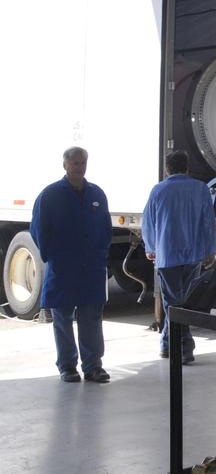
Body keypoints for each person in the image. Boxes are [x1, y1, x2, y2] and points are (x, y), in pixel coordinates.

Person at [30, 146, 113, 383]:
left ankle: (93, 366)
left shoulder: (96, 194)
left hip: (91, 268)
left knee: (91, 318)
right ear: (65, 165)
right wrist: (52, 254)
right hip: (64, 266)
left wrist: (100, 252)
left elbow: (106, 228)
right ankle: (67, 366)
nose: (79, 167)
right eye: (75, 163)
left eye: (83, 163)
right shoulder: (50, 195)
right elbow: (39, 229)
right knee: (63, 318)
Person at [141, 149, 216, 364]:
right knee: (181, 302)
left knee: (173, 302)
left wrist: (151, 247)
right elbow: (207, 222)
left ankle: (181, 346)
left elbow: (149, 222)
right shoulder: (200, 189)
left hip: (167, 256)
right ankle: (170, 344)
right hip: (193, 255)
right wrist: (210, 249)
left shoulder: (158, 190)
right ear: (187, 167)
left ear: (167, 168)